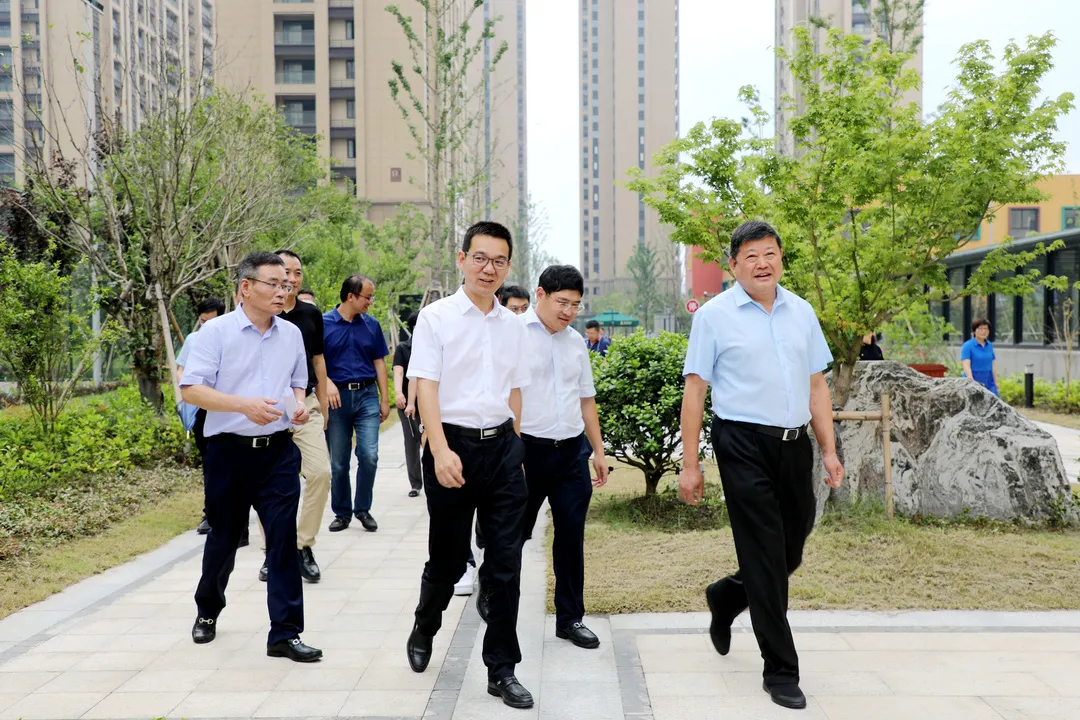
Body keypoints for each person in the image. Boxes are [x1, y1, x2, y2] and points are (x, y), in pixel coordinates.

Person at [679, 220, 844, 710]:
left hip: (794, 445)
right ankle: (781, 670)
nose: (762, 263)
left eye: (769, 253)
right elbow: (695, 391)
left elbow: (816, 385)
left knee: (790, 549)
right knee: (766, 555)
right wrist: (691, 464)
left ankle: (728, 596)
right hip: (741, 443)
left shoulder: (802, 311)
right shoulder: (714, 317)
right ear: (734, 265)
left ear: (781, 258)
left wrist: (829, 449)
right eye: (750, 256)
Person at [405, 220, 535, 710]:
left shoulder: (514, 325)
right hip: (452, 445)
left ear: (508, 266)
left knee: (505, 564)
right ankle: (425, 623)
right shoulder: (436, 318)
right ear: (462, 259)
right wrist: (439, 451)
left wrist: (517, 446)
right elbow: (426, 387)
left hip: (502, 449)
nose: (488, 268)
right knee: (447, 557)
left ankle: (502, 669)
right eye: (480, 258)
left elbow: (515, 389)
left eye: (498, 261)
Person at [180, 251, 322, 663]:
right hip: (229, 453)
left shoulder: (291, 334)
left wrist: (297, 406)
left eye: (287, 284)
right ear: (246, 287)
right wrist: (243, 406)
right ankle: (208, 610)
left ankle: (285, 633)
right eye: (274, 284)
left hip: (278, 453)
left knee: (282, 541)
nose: (283, 291)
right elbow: (191, 390)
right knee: (225, 538)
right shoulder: (215, 333)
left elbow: (297, 383)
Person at [517, 264, 610, 650]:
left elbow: (586, 400)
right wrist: (512, 452)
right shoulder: (514, 334)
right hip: (526, 453)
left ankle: (570, 618)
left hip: (571, 452)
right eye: (562, 302)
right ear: (540, 295)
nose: (569, 311)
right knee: (511, 536)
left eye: (576, 304)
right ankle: (494, 595)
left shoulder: (575, 342)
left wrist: (598, 450)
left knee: (571, 537)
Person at [251, 250, 333, 585]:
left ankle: (302, 545)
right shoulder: (258, 314)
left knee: (320, 473)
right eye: (287, 272)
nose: (293, 279)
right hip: (268, 408)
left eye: (298, 273)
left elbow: (319, 361)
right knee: (266, 482)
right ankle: (273, 551)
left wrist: (322, 407)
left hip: (304, 406)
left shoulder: (310, 314)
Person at [323, 275, 390, 533]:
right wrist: (326, 382)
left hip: (367, 396)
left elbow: (379, 362)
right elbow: (315, 361)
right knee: (339, 462)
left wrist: (385, 399)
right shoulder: (324, 324)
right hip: (336, 399)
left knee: (369, 455)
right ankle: (342, 513)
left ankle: (362, 509)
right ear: (351, 296)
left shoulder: (372, 325)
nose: (371, 302)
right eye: (367, 297)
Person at [176, 297, 227, 537]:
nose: (206, 326)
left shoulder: (232, 339)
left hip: (230, 409)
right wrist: (190, 388)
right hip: (203, 410)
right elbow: (181, 371)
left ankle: (233, 511)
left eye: (211, 321)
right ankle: (210, 513)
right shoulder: (193, 340)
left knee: (232, 463)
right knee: (210, 462)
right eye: (203, 321)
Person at [393, 311, 423, 498]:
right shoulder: (403, 348)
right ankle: (415, 483)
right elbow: (399, 372)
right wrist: (398, 393)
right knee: (412, 442)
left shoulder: (434, 347)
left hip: (431, 402)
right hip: (408, 403)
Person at [961, 318, 999, 396]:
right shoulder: (968, 345)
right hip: (974, 379)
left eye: (986, 329)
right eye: (980, 329)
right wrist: (971, 381)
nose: (983, 331)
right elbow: (966, 365)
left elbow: (992, 364)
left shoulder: (989, 345)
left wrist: (996, 381)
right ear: (974, 331)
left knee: (994, 402)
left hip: (989, 380)